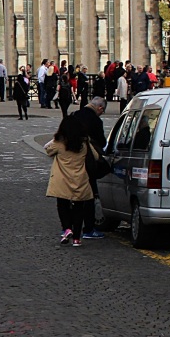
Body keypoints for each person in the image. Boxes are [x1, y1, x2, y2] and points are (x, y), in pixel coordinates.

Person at [45, 114, 95, 247]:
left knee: (62, 205)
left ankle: (67, 228)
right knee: (79, 207)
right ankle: (77, 238)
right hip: (79, 178)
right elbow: (94, 156)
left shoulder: (59, 143)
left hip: (62, 178)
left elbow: (47, 149)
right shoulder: (84, 143)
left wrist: (56, 137)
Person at [69, 97, 109, 240]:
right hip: (88, 161)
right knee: (90, 195)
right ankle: (89, 228)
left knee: (73, 195)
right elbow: (102, 142)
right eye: (102, 111)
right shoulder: (96, 121)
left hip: (71, 161)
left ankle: (69, 227)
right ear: (99, 108)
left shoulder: (75, 115)